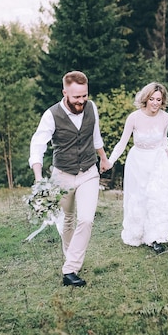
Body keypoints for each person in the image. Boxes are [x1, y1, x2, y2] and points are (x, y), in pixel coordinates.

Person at [29, 71, 111, 287]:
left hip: (88, 173)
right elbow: (37, 146)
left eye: (85, 95)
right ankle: (71, 258)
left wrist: (103, 158)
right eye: (77, 97)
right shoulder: (51, 115)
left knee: (86, 220)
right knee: (67, 220)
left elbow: (96, 137)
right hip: (62, 175)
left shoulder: (91, 108)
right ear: (64, 92)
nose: (82, 101)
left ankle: (70, 269)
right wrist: (38, 178)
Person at [105, 82, 168, 253]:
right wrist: (110, 161)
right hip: (138, 162)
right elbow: (122, 143)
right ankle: (138, 232)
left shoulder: (166, 118)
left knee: (157, 198)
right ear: (145, 99)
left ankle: (155, 237)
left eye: (158, 99)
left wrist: (166, 150)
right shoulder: (134, 118)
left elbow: (164, 137)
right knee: (139, 197)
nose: (155, 103)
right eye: (152, 99)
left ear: (163, 101)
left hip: (158, 162)